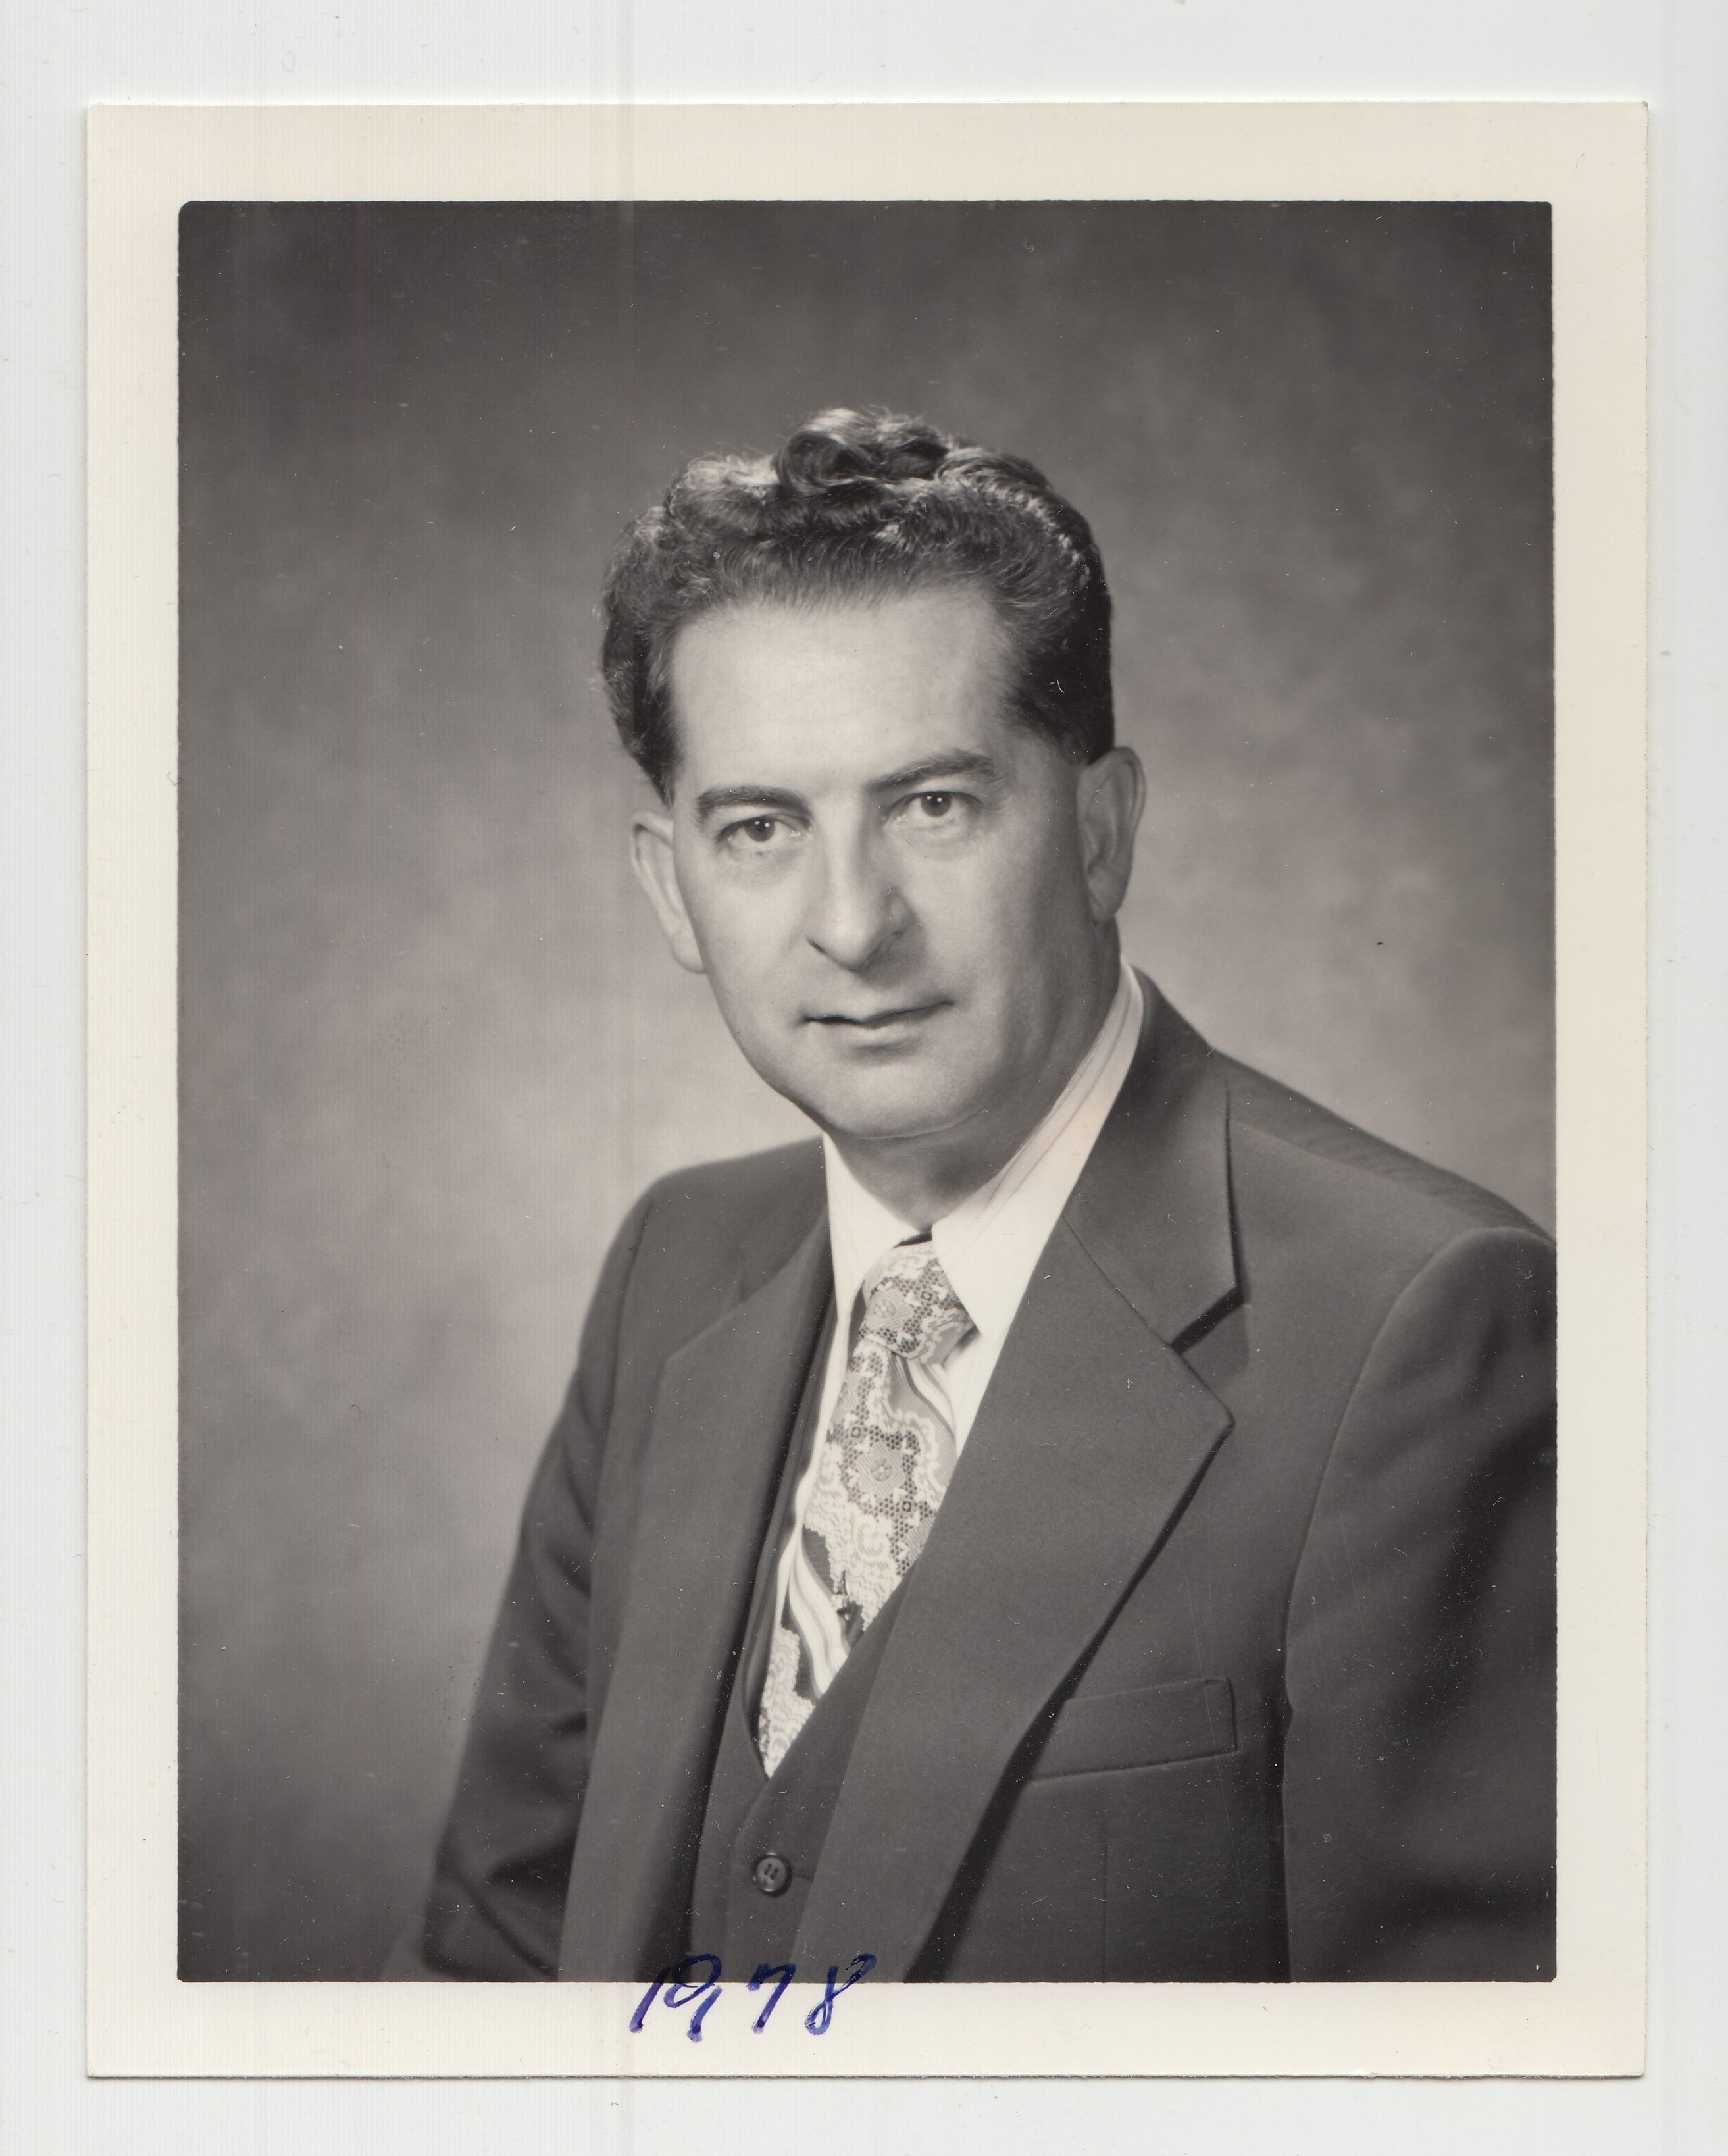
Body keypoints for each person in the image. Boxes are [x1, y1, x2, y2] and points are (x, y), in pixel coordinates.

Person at [388, 408, 1556, 1986]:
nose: (849, 923)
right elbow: (492, 1969)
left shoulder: (1418, 1320)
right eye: (759, 830)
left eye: (930, 806)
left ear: (1098, 832)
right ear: (671, 889)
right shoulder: (676, 1262)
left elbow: (1455, 2077)